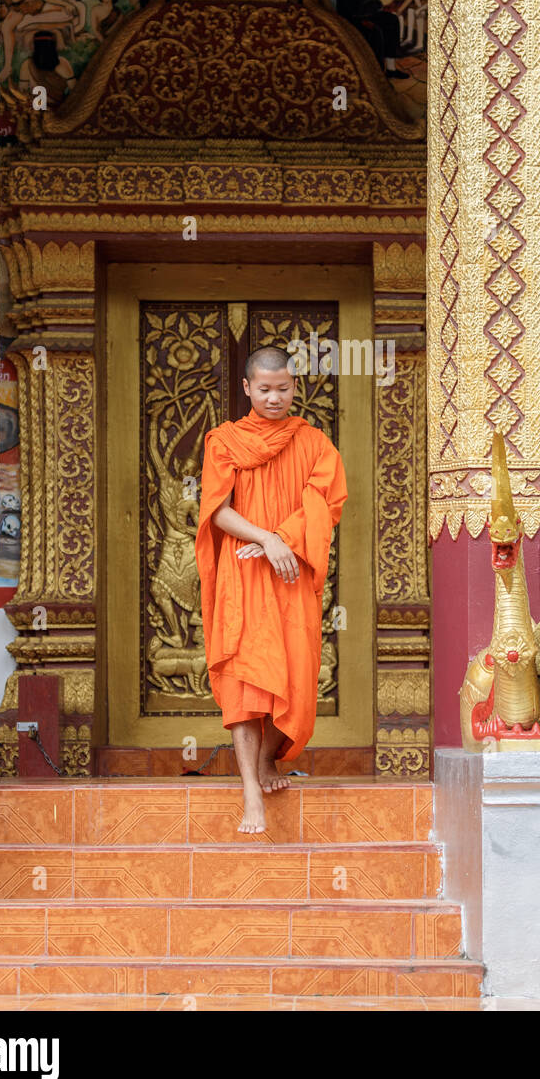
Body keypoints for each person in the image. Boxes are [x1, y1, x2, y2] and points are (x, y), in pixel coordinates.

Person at [195, 347, 347, 834]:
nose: (275, 398)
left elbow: (328, 504)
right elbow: (216, 510)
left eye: (283, 388)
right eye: (264, 390)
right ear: (246, 388)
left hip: (289, 573)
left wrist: (282, 542)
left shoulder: (314, 443)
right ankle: (250, 795)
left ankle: (267, 762)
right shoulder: (223, 441)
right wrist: (264, 538)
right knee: (244, 682)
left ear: (295, 386)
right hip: (243, 570)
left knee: (290, 675)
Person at [17, 29, 74, 107]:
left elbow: (22, 92)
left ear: (35, 45)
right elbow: (74, 91)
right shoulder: (63, 63)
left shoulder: (27, 64)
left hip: (36, 111)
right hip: (58, 110)